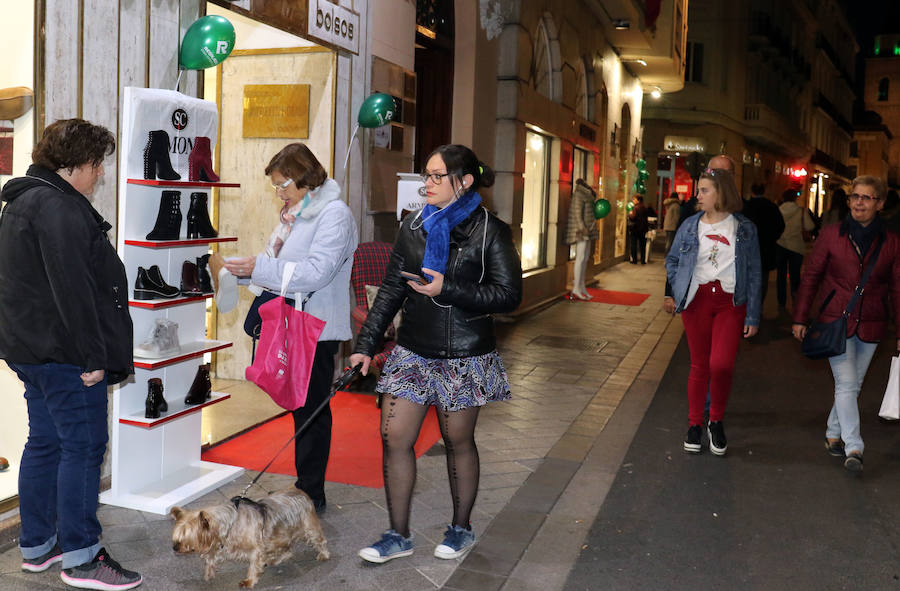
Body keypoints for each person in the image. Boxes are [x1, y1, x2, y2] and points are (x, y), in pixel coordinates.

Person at [351, 144, 522, 563]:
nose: (426, 184)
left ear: (463, 182)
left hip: (464, 352)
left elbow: (509, 295)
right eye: (425, 175)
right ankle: (398, 534)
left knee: (457, 441)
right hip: (413, 348)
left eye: (436, 176)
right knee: (394, 436)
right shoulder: (414, 225)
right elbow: (391, 289)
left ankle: (461, 528)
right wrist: (364, 346)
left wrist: (449, 288)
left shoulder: (490, 231)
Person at [0, 119, 141, 589]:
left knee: (46, 443)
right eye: (97, 164)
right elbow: (74, 291)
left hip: (33, 350)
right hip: (65, 355)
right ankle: (82, 558)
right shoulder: (57, 207)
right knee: (82, 448)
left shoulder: (22, 200)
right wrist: (92, 357)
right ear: (74, 164)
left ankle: (38, 546)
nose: (100, 174)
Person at [223, 143, 358, 514]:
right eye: (276, 186)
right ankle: (305, 485)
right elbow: (276, 263)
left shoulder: (334, 215)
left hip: (314, 327)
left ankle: (312, 492)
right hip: (291, 320)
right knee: (299, 407)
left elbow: (316, 272)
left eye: (283, 184)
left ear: (304, 179)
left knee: (311, 410)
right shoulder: (294, 214)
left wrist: (257, 268)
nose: (279, 193)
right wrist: (239, 274)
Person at [792, 176, 900, 473]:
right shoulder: (831, 235)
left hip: (872, 323)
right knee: (848, 383)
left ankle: (832, 432)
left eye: (866, 198)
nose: (858, 203)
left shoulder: (891, 243)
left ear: (879, 203)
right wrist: (800, 316)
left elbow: (897, 288)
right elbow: (811, 276)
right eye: (854, 197)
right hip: (835, 319)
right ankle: (854, 445)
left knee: (853, 385)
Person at [665, 167, 761, 456]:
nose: (698, 195)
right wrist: (679, 286)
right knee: (699, 365)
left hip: (731, 303)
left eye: (704, 190)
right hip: (698, 300)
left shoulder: (744, 228)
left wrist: (753, 315)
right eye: (700, 190)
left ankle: (715, 420)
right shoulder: (691, 225)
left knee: (721, 365)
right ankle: (696, 424)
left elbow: (755, 272)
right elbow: (672, 259)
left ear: (721, 193)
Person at [664, 154, 735, 315]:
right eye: (714, 172)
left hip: (730, 301)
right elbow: (676, 255)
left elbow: (754, 268)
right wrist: (672, 291)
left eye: (725, 173)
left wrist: (751, 312)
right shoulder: (692, 209)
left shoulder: (743, 215)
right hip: (696, 295)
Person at [741, 183, 785, 307]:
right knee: (762, 279)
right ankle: (757, 306)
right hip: (766, 248)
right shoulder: (772, 207)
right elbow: (780, 226)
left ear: (752, 191)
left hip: (748, 249)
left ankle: (747, 305)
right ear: (764, 191)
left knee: (746, 278)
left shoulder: (746, 207)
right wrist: (772, 238)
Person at [775, 188, 815, 310]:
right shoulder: (801, 211)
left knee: (781, 275)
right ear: (795, 198)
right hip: (796, 247)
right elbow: (810, 226)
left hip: (781, 245)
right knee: (795, 275)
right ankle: (795, 299)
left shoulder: (778, 211)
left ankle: (781, 302)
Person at [566, 178, 600, 299]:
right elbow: (576, 212)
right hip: (582, 230)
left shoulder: (587, 194)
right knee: (580, 258)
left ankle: (581, 286)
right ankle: (576, 288)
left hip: (588, 229)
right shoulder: (580, 194)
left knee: (584, 258)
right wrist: (582, 227)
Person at [628, 194, 649, 264]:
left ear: (638, 200)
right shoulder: (645, 208)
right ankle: (643, 260)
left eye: (634, 199)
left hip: (635, 229)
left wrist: (630, 214)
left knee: (634, 244)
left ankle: (634, 260)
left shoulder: (636, 208)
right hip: (643, 229)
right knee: (642, 245)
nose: (633, 201)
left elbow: (633, 217)